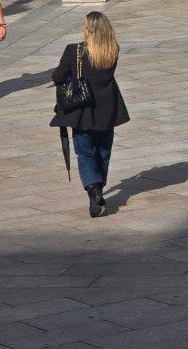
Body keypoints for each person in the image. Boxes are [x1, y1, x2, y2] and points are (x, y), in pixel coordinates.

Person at [50, 12, 130, 218]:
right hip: (108, 108)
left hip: (83, 109)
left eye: (85, 26)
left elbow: (58, 76)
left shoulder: (74, 51)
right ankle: (99, 187)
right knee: (104, 150)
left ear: (89, 30)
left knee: (85, 151)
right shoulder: (112, 50)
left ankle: (93, 189)